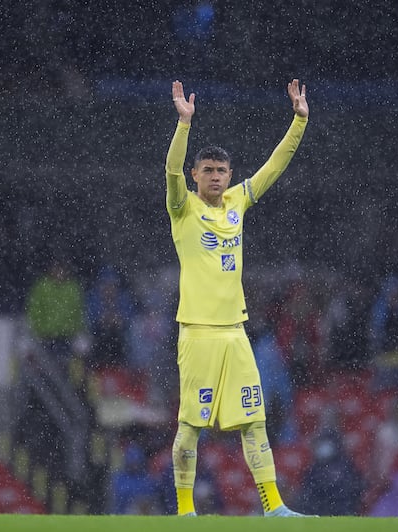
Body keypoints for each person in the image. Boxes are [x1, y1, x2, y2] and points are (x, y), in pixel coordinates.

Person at [165, 78, 311, 517]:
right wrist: (183, 125)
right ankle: (185, 511)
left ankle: (274, 507)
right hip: (198, 334)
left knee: (255, 422)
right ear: (196, 175)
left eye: (220, 171)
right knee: (190, 427)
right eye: (206, 170)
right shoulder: (183, 208)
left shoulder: (237, 201)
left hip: (236, 333)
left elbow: (274, 166)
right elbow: (171, 170)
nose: (213, 176)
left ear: (228, 175)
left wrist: (299, 121)